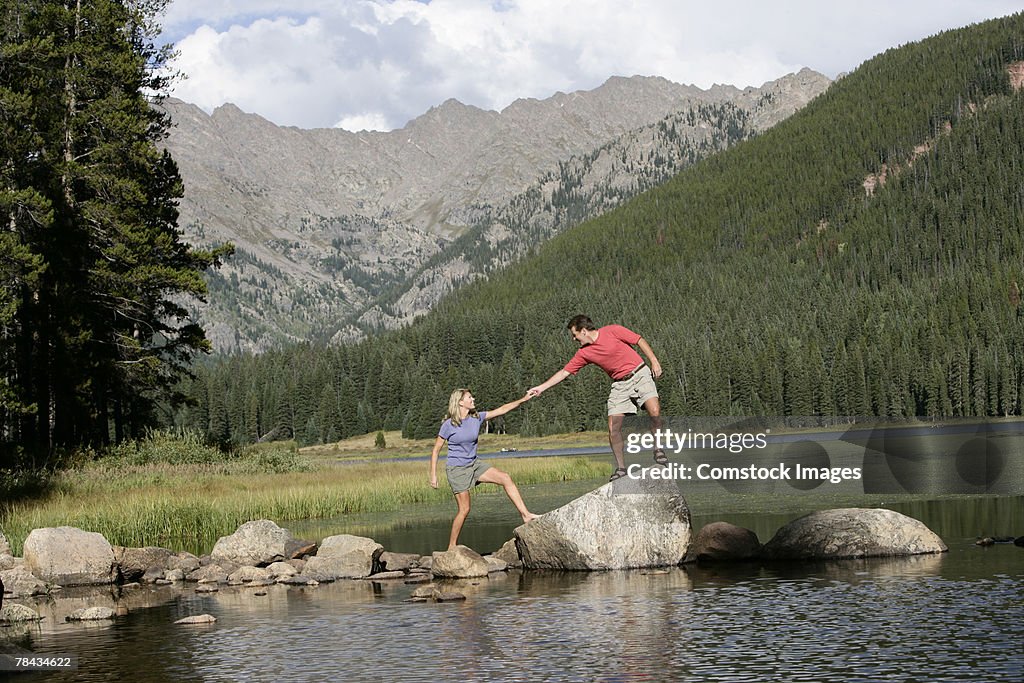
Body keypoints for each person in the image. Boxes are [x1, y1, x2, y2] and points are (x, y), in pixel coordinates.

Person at [528, 314, 665, 481]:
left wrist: (654, 361)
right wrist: (541, 388)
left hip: (640, 373)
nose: (573, 339)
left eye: (574, 334)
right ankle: (621, 469)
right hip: (619, 384)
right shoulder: (583, 353)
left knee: (655, 412)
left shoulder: (613, 330)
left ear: (584, 331)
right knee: (613, 428)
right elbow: (565, 372)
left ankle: (658, 450)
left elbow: (639, 340)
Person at [430, 388, 541, 550]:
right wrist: (433, 475)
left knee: (505, 478)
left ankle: (526, 515)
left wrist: (523, 399)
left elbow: (502, 409)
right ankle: (451, 546)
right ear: (461, 402)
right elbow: (436, 450)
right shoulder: (449, 425)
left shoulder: (477, 417)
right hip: (457, 470)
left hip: (474, 464)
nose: (473, 398)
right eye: (469, 397)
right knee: (465, 509)